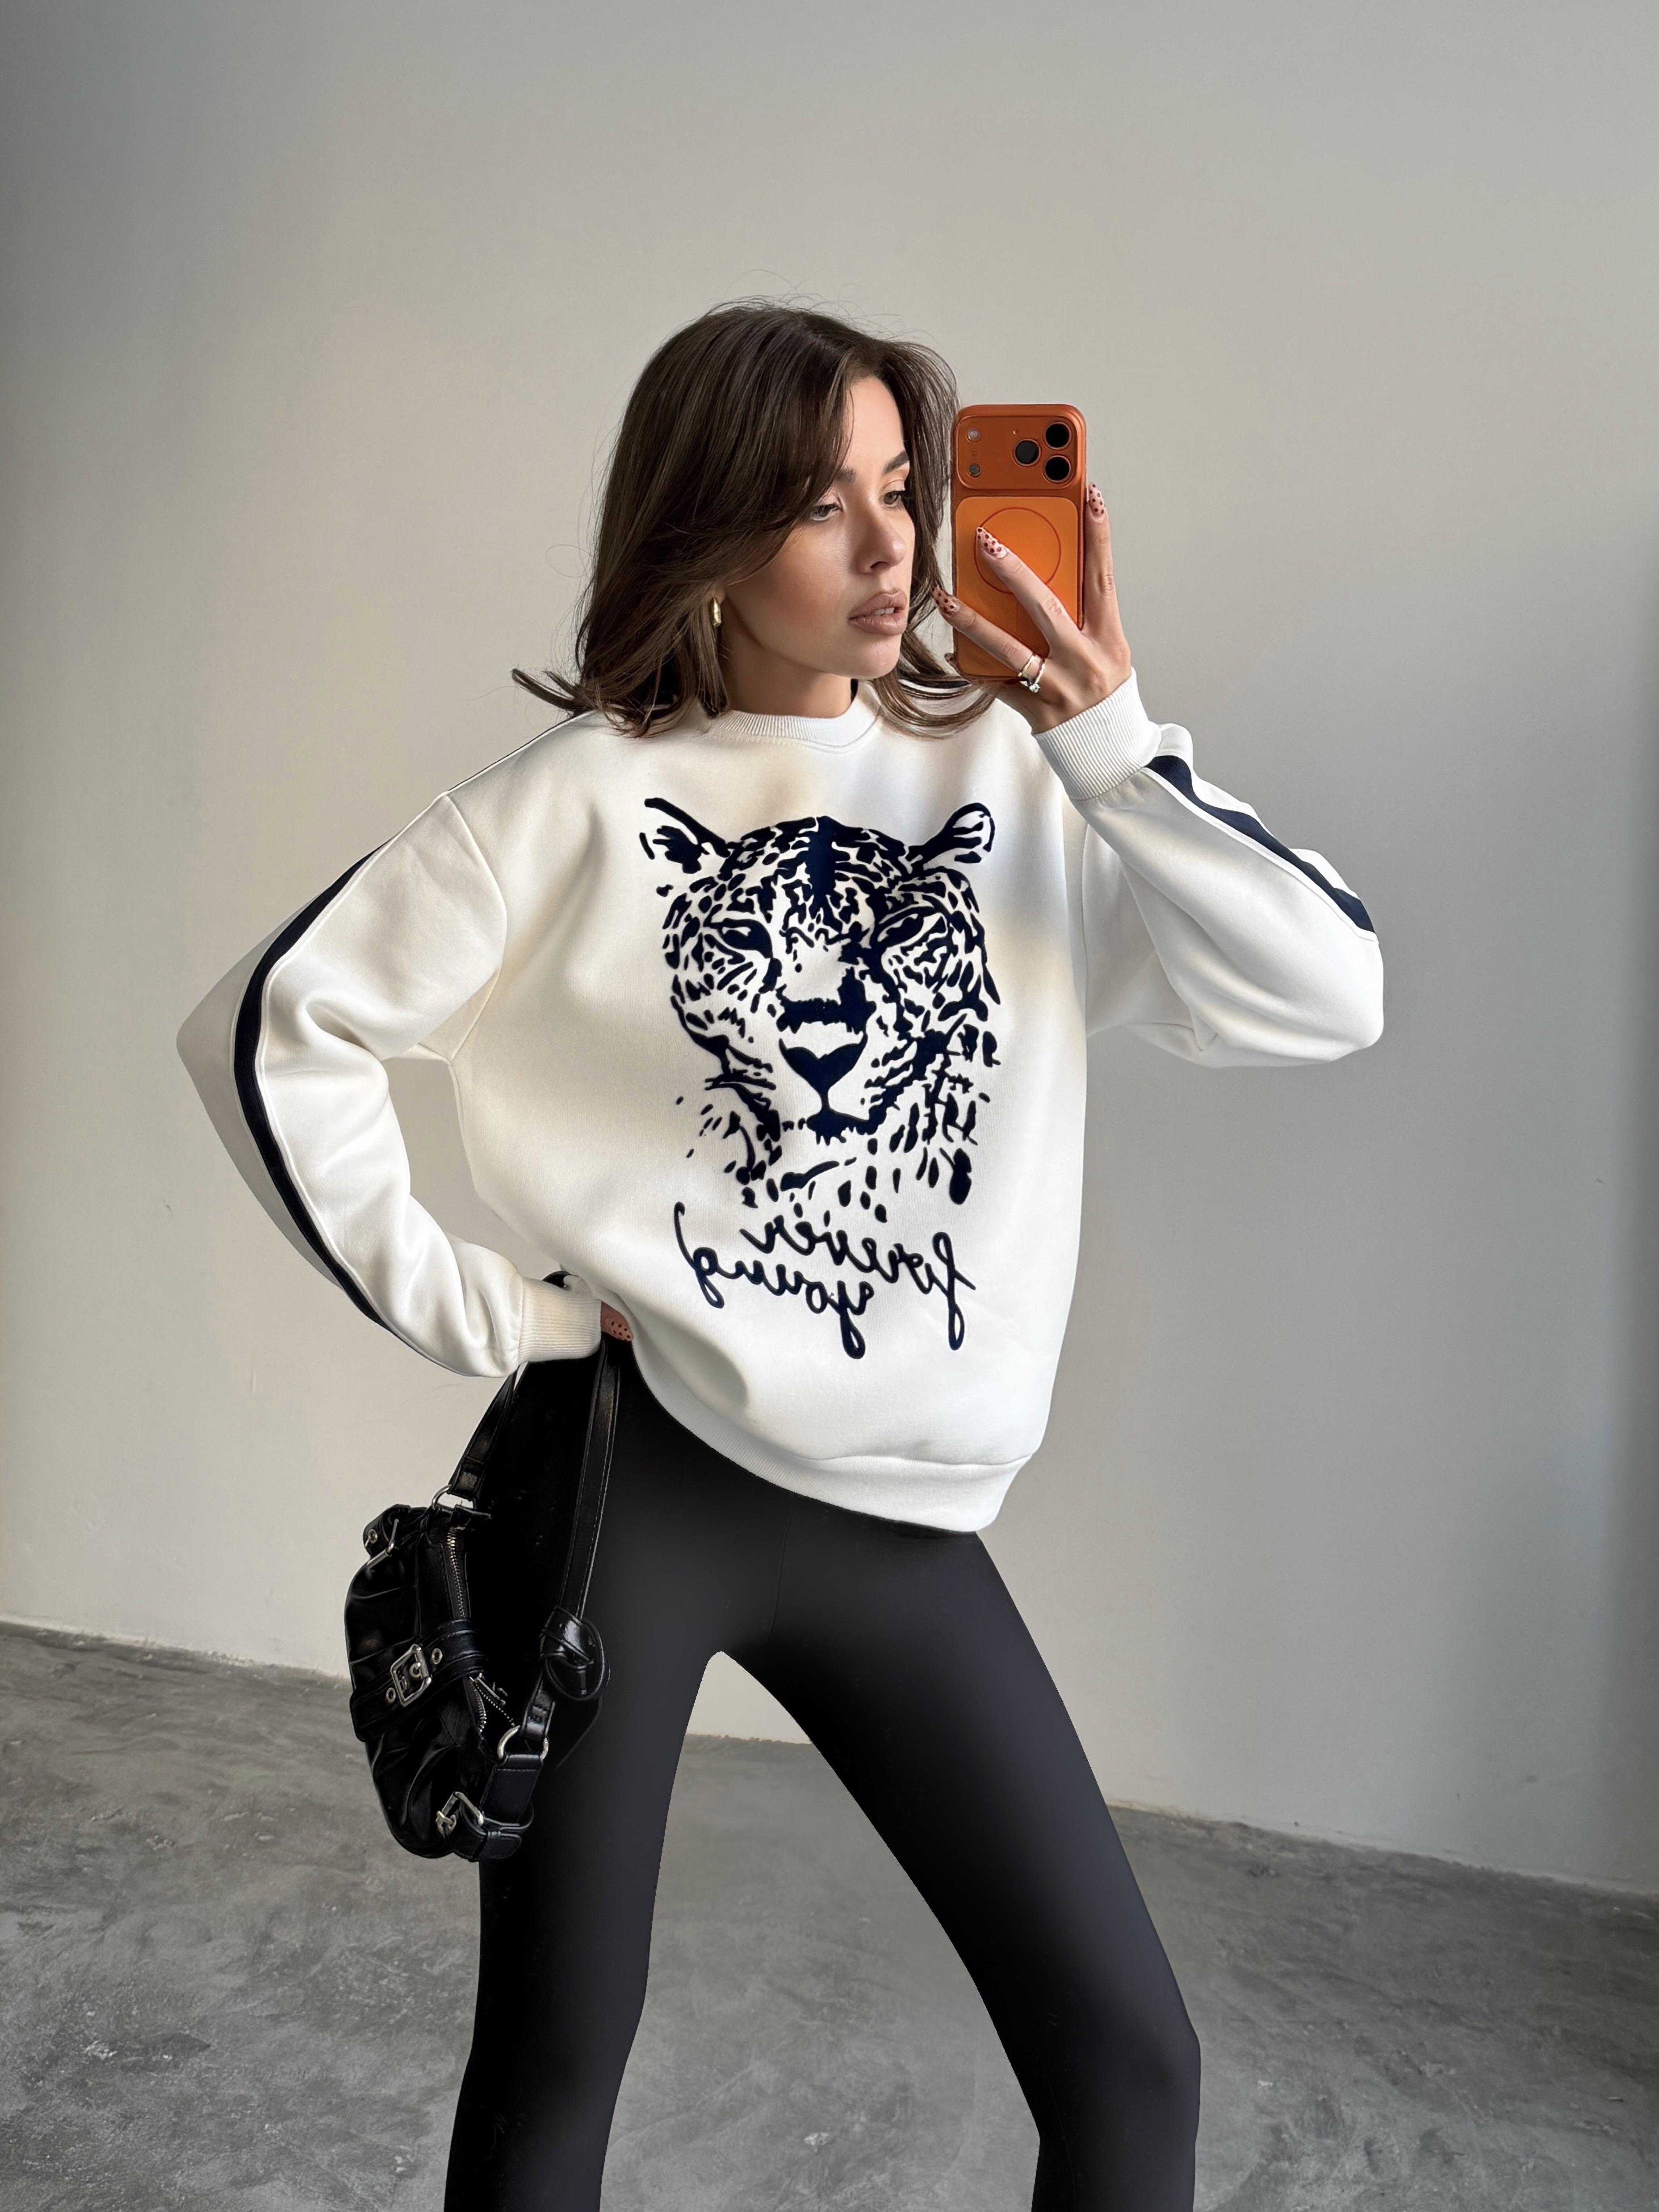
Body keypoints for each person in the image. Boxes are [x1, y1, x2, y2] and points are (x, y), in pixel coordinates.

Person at [176, 299, 1383, 2211]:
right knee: (556, 2066)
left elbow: (1327, 993)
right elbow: (265, 1027)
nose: (893, 547)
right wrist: (484, 1307)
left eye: (904, 489)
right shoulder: (574, 800)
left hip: (904, 1516)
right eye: (826, 505)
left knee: (1128, 2063)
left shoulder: (1021, 783)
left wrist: (1104, 740)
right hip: (630, 1493)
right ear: (710, 532)